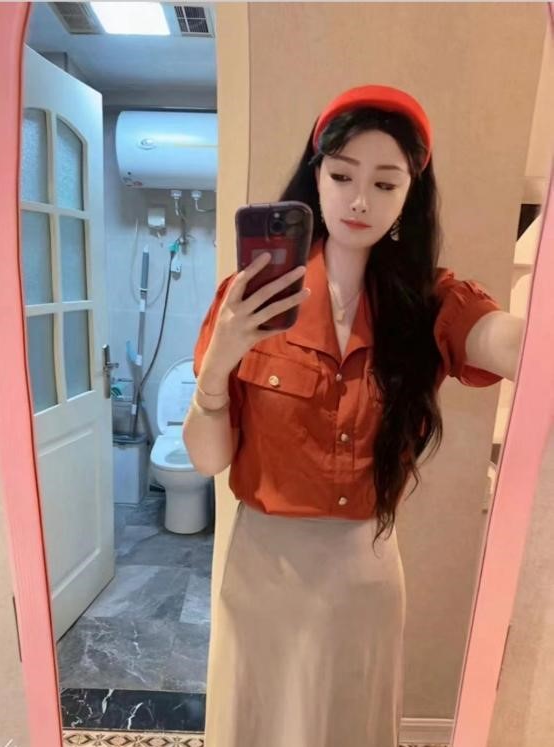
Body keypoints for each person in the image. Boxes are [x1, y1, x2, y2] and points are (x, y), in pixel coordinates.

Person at [183, 84, 511, 747]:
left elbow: (502, 340)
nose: (360, 200)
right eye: (342, 176)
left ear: (409, 196)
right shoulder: (248, 300)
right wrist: (218, 366)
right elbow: (209, 459)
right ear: (316, 175)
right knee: (259, 725)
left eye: (385, 184)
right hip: (264, 569)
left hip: (363, 574)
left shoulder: (428, 304)